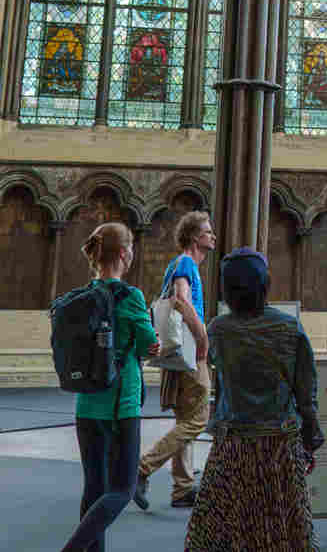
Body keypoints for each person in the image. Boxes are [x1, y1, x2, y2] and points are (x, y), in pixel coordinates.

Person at [184, 247, 323, 551]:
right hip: (279, 445)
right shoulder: (288, 327)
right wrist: (312, 434)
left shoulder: (219, 329)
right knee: (281, 524)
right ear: (264, 283)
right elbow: (305, 391)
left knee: (227, 522)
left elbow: (223, 384)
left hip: (233, 444)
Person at [61, 223, 160, 552]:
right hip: (122, 403)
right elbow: (148, 344)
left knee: (94, 489)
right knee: (122, 489)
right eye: (130, 247)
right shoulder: (131, 297)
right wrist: (151, 344)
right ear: (123, 253)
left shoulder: (84, 297)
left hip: (87, 403)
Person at [135, 211, 215, 510]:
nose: (213, 236)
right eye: (208, 232)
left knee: (185, 418)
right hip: (192, 352)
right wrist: (203, 336)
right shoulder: (185, 262)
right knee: (198, 420)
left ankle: (182, 489)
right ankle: (142, 468)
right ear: (195, 237)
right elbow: (181, 300)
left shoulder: (181, 264)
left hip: (181, 353)